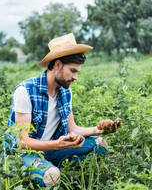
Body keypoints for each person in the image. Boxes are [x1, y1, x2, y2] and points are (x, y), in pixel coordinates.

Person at [6, 33, 109, 188]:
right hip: (26, 153)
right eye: (73, 70)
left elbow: (72, 128)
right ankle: (49, 171)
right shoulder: (26, 91)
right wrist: (57, 145)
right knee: (52, 177)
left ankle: (49, 168)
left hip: (53, 148)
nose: (76, 77)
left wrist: (99, 129)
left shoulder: (66, 91)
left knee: (101, 145)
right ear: (58, 65)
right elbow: (22, 142)